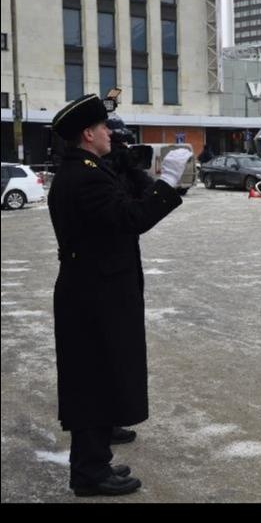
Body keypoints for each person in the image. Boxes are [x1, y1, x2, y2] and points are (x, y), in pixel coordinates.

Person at [47, 94, 192, 496]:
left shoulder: (87, 169)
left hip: (96, 288)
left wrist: (141, 175)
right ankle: (90, 473)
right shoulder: (86, 176)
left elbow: (128, 204)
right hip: (95, 292)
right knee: (93, 379)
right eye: (105, 128)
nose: (111, 133)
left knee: (102, 374)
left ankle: (96, 461)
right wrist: (167, 183)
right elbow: (132, 218)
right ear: (88, 134)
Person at [103, 114, 155, 445]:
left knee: (120, 354)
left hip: (122, 273)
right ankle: (100, 426)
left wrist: (133, 168)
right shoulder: (94, 176)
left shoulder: (119, 170)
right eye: (116, 142)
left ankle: (110, 419)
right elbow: (130, 218)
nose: (120, 148)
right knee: (106, 354)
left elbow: (146, 194)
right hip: (103, 278)